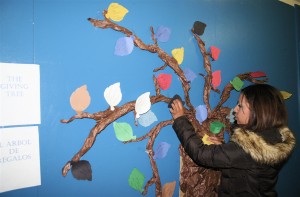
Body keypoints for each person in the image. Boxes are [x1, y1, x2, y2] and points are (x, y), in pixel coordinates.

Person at [169, 84, 296, 196]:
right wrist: (227, 150)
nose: (235, 109)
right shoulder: (272, 138)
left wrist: (180, 119)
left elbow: (201, 154)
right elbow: (244, 168)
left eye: (240, 106)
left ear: (257, 113)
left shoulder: (247, 149)